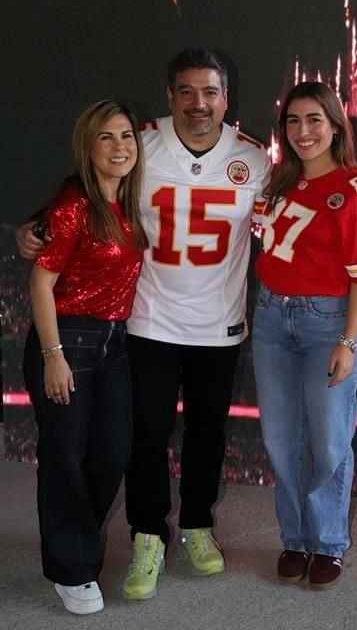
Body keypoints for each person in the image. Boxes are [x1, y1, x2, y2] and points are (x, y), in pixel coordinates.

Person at [18, 49, 271, 601]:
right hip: (148, 320)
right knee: (145, 437)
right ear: (170, 97)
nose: (198, 103)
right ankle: (148, 534)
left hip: (219, 323)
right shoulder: (142, 141)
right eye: (186, 91)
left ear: (227, 98)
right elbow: (88, 181)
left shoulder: (255, 159)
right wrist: (37, 227)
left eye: (209, 92)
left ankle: (198, 525)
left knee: (207, 433)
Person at [252, 81, 357, 590]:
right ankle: (295, 538)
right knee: (281, 438)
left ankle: (327, 543)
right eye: (293, 121)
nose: (303, 132)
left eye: (313, 120)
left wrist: (349, 340)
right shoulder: (279, 183)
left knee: (329, 439)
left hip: (325, 322)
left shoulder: (354, 187)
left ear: (334, 126)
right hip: (269, 320)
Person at [22, 99, 147, 615]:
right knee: (64, 457)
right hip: (67, 339)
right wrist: (53, 356)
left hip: (114, 343)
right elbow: (41, 281)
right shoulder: (76, 201)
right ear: (87, 146)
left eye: (126, 136)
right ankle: (71, 567)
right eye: (106, 137)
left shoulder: (127, 198)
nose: (120, 147)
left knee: (113, 452)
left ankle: (72, 536)